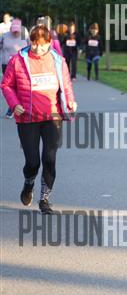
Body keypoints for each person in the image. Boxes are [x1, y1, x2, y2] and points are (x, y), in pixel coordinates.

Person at [1, 24, 77, 214]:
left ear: (49, 43)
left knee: (49, 158)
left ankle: (44, 199)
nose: (38, 48)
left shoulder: (58, 61)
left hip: (52, 116)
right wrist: (14, 104)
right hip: (27, 118)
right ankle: (28, 184)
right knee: (33, 162)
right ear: (30, 42)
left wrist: (70, 101)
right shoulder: (18, 60)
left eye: (42, 44)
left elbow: (66, 85)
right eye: (35, 44)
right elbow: (6, 85)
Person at [1, 19, 31, 118]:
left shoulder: (24, 35)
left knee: (18, 86)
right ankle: (15, 106)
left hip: (21, 63)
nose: (15, 32)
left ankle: (12, 109)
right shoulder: (5, 35)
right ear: (10, 28)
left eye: (17, 30)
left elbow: (30, 47)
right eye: (14, 30)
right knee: (8, 86)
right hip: (6, 63)